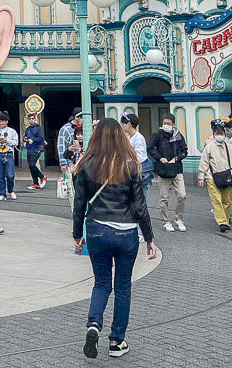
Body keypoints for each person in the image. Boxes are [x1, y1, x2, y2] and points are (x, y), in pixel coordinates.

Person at [71, 117, 156, 360]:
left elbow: (79, 205)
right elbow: (140, 206)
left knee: (101, 283)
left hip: (96, 228)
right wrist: (149, 237)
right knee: (123, 287)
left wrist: (77, 234)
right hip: (126, 232)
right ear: (120, 136)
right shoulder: (130, 164)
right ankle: (116, 341)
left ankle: (94, 324)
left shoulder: (86, 164)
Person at [198, 120, 232, 232]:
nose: (219, 136)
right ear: (213, 134)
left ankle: (226, 219)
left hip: (228, 176)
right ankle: (222, 222)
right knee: (216, 200)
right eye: (217, 133)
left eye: (221, 133)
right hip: (212, 177)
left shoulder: (229, 147)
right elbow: (204, 162)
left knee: (227, 201)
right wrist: (201, 177)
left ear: (224, 134)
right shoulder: (209, 147)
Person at [148, 114, 187, 232]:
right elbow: (150, 148)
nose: (166, 125)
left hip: (176, 169)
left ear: (173, 124)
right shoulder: (158, 135)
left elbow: (184, 150)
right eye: (164, 123)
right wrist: (160, 158)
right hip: (163, 170)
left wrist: (176, 158)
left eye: (168, 123)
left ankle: (179, 218)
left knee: (182, 195)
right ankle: (166, 221)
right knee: (164, 197)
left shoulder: (178, 136)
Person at [0, 112, 19, 200]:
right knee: (0, 175)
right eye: (0, 121)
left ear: (7, 122)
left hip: (9, 154)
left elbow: (16, 143)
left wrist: (7, 141)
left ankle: (11, 190)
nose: (1, 123)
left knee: (10, 175)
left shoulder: (12, 131)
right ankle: (2, 193)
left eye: (3, 121)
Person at [120, 113, 152, 193]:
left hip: (140, 169)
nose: (122, 126)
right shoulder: (129, 137)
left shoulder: (138, 138)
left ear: (129, 124)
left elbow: (139, 156)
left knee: (141, 193)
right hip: (132, 169)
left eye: (123, 124)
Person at [57, 112, 82, 198]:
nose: (81, 119)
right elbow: (61, 146)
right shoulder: (66, 129)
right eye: (79, 117)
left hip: (86, 167)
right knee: (74, 190)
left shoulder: (87, 127)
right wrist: (63, 163)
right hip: (73, 166)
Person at [24, 113, 47, 189]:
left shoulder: (39, 128)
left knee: (32, 164)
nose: (31, 120)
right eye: (30, 119)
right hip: (29, 149)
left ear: (35, 119)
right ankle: (35, 183)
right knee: (31, 167)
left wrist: (33, 140)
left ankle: (42, 176)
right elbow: (26, 137)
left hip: (37, 149)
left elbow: (41, 138)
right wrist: (25, 139)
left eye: (32, 119)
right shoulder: (27, 129)